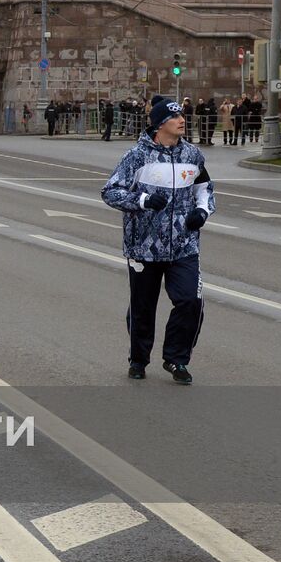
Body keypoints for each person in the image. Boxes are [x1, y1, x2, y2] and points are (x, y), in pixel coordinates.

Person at [101, 96, 213, 386]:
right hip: (144, 247)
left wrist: (202, 211)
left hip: (184, 245)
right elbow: (110, 192)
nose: (182, 120)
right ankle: (138, 359)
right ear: (160, 123)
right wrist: (143, 200)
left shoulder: (193, 155)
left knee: (191, 300)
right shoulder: (137, 156)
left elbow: (205, 188)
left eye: (182, 116)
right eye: (175, 117)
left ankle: (176, 359)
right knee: (143, 306)